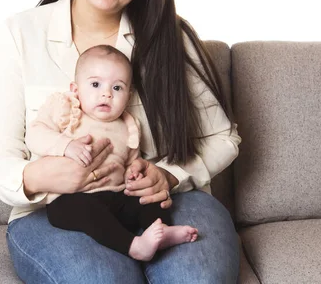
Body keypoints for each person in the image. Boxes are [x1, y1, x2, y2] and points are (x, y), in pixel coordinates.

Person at [0, 0, 241, 283]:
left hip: (162, 202)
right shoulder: (21, 34)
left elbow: (224, 137)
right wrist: (39, 176)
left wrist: (167, 175)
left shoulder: (169, 38)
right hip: (56, 209)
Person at [25, 44, 198, 261]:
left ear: (128, 95)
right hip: (70, 199)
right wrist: (65, 146)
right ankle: (133, 245)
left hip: (116, 195)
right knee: (86, 211)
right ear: (76, 89)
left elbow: (132, 160)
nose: (106, 93)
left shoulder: (128, 124)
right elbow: (35, 134)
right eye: (96, 84)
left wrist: (134, 175)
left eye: (117, 88)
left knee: (148, 197)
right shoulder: (65, 108)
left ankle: (160, 230)